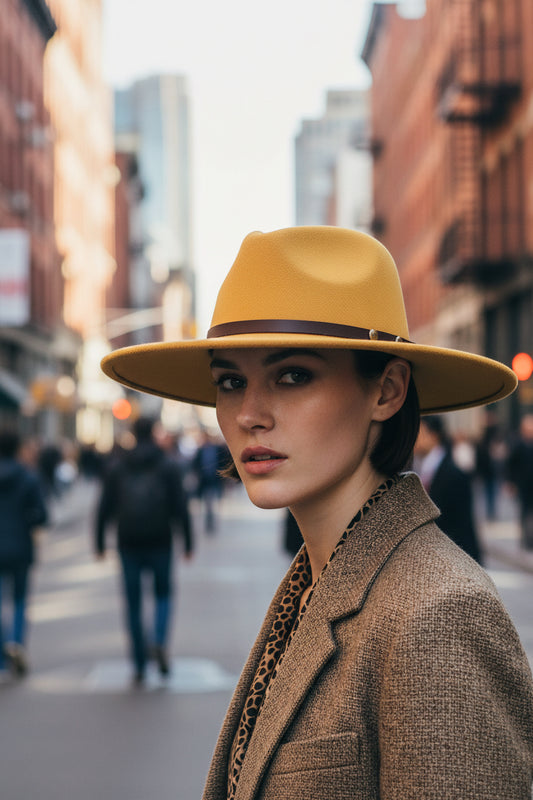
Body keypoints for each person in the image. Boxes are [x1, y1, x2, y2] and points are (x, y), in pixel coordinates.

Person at [101, 227, 533, 798]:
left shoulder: (437, 612)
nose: (250, 414)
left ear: (387, 391)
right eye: (230, 381)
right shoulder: (322, 577)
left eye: (293, 375)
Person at [95, 417, 193, 685]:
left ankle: (139, 662)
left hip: (128, 541)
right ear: (153, 432)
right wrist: (188, 542)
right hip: (161, 539)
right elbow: (180, 505)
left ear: (132, 434)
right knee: (163, 594)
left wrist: (100, 543)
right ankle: (159, 640)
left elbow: (104, 507)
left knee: (133, 602)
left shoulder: (118, 466)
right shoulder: (168, 465)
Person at [0, 431, 48, 680]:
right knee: (19, 600)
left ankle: (1, 655)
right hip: (20, 546)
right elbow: (41, 515)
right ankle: (16, 643)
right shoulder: (28, 477)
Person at [414, 415, 482, 563]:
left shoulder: (455, 474)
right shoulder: (413, 468)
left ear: (433, 436)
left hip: (450, 559)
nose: (413, 438)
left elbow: (464, 525)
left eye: (418, 432)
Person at [506, 413, 533, 550]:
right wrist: (511, 483)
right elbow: (511, 464)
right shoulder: (518, 444)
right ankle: (526, 540)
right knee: (524, 512)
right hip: (523, 485)